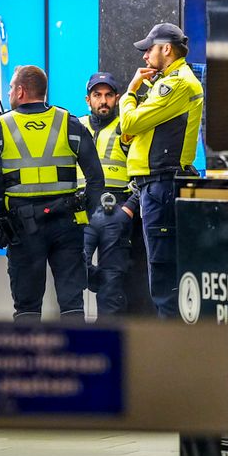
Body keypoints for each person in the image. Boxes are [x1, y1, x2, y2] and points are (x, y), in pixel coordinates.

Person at [0, 65, 104, 320]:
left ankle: (31, 358)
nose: (9, 91)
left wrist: (0, 219)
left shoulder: (1, 127)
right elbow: (96, 178)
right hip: (67, 222)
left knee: (27, 306)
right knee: (72, 303)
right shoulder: (69, 123)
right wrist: (85, 215)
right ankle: (76, 357)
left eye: (10, 87)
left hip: (22, 225)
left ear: (20, 91)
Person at [119, 23, 204, 319]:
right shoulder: (165, 84)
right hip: (156, 187)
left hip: (162, 186)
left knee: (164, 277)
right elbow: (130, 135)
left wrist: (129, 92)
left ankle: (171, 351)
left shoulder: (176, 84)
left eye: (148, 49)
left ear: (166, 49)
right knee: (161, 271)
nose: (144, 57)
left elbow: (128, 124)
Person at [79, 72, 138, 318]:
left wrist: (129, 209)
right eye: (97, 95)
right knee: (75, 268)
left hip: (116, 210)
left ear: (117, 98)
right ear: (88, 99)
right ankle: (96, 279)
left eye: (109, 95)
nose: (103, 101)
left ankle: (107, 341)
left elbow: (143, 171)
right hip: (82, 211)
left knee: (112, 288)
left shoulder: (127, 128)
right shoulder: (76, 126)